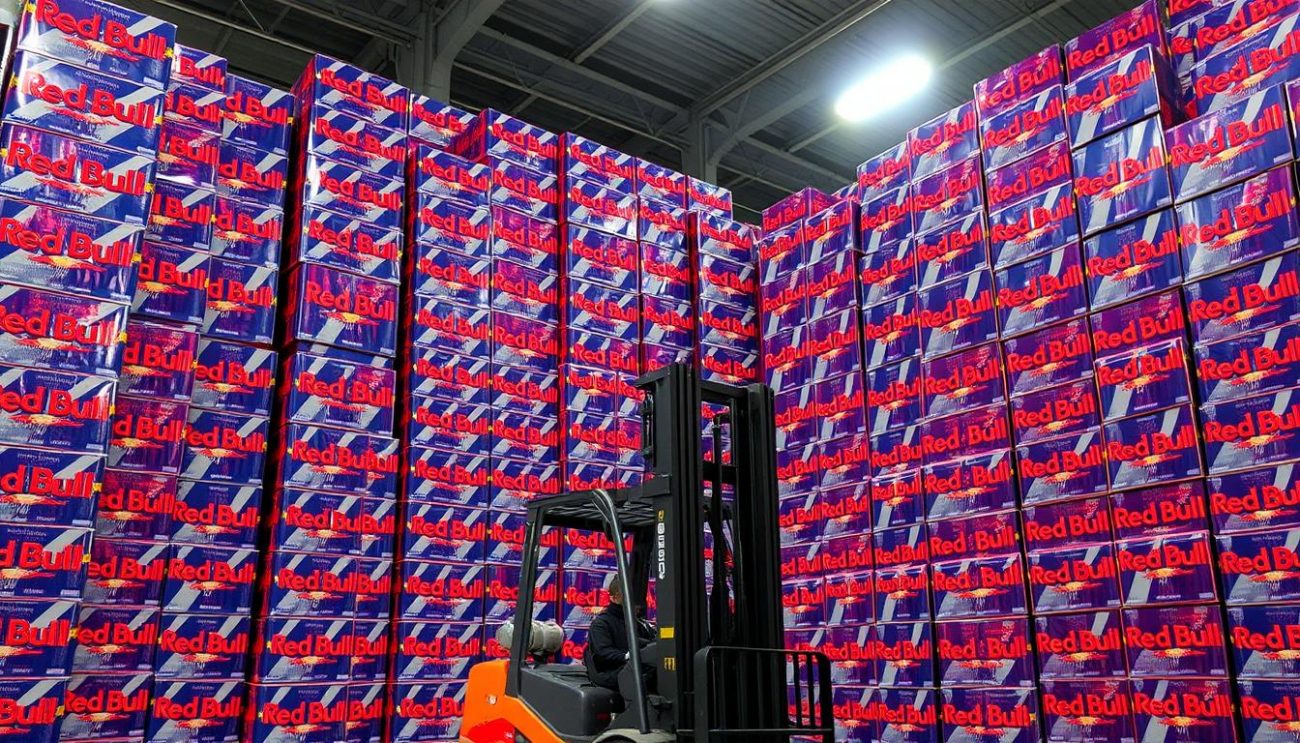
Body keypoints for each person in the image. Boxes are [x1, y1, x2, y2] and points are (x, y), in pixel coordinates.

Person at [585, 580, 655, 704]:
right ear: (616, 597)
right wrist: (628, 656)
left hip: (631, 668)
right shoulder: (602, 624)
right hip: (612, 671)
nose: (638, 603)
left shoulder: (638, 623)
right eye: (631, 597)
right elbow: (603, 653)